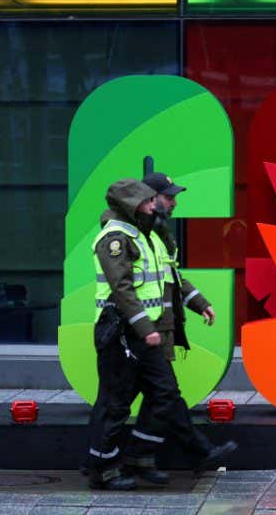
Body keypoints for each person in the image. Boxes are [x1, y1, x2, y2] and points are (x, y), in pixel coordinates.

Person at [84, 179, 236, 490]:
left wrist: (198, 304)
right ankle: (102, 468)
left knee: (164, 393)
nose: (155, 204)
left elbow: (170, 278)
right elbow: (121, 288)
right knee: (115, 403)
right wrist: (145, 328)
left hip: (145, 333)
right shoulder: (115, 238)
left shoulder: (147, 236)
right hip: (121, 332)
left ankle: (139, 456)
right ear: (131, 205)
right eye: (148, 200)